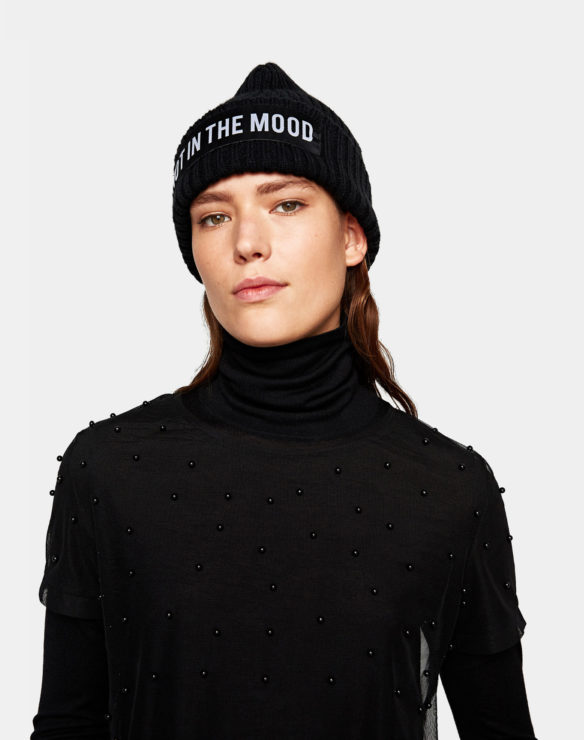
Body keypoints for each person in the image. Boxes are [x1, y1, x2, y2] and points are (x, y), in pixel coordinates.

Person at [31, 62, 538, 739]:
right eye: (215, 216)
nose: (247, 243)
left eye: (286, 205)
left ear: (352, 237)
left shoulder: (450, 489)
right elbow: (67, 725)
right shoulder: (107, 469)